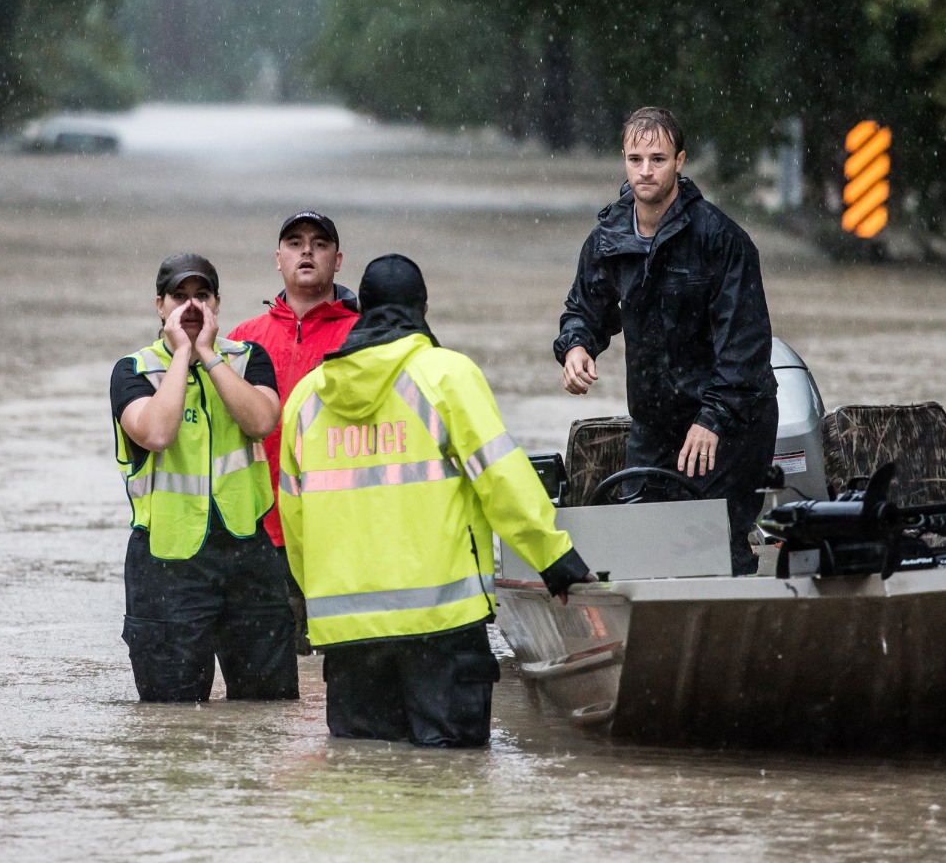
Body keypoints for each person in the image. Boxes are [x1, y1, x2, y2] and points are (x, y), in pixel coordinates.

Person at [278, 254, 593, 747]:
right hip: (443, 630)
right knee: (452, 781)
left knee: (363, 789)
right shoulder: (446, 377)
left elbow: (295, 523)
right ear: (422, 310)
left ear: (361, 311)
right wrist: (554, 559)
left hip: (349, 639)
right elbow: (502, 480)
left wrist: (319, 598)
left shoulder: (306, 398)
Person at [554, 107, 779, 575]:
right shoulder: (608, 237)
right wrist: (577, 346)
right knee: (645, 549)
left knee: (712, 552)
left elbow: (745, 347)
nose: (645, 171)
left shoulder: (721, 241)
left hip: (730, 422)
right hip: (655, 423)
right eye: (635, 159)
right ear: (623, 161)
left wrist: (713, 418)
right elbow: (585, 310)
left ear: (680, 161)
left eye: (657, 159)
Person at [111, 252, 298, 702]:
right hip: (165, 565)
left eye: (201, 296)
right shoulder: (133, 371)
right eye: (179, 297)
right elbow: (156, 432)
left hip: (248, 557)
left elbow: (261, 422)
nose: (191, 307)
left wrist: (209, 354)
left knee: (265, 712)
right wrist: (181, 353)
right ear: (160, 306)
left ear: (217, 304)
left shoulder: (248, 359)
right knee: (170, 722)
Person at [228, 211, 359, 653]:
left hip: (340, 533)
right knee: (271, 682)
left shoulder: (364, 336)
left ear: (337, 260)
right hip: (259, 534)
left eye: (320, 244)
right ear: (278, 259)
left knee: (335, 669)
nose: (308, 250)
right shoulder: (242, 340)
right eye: (296, 242)